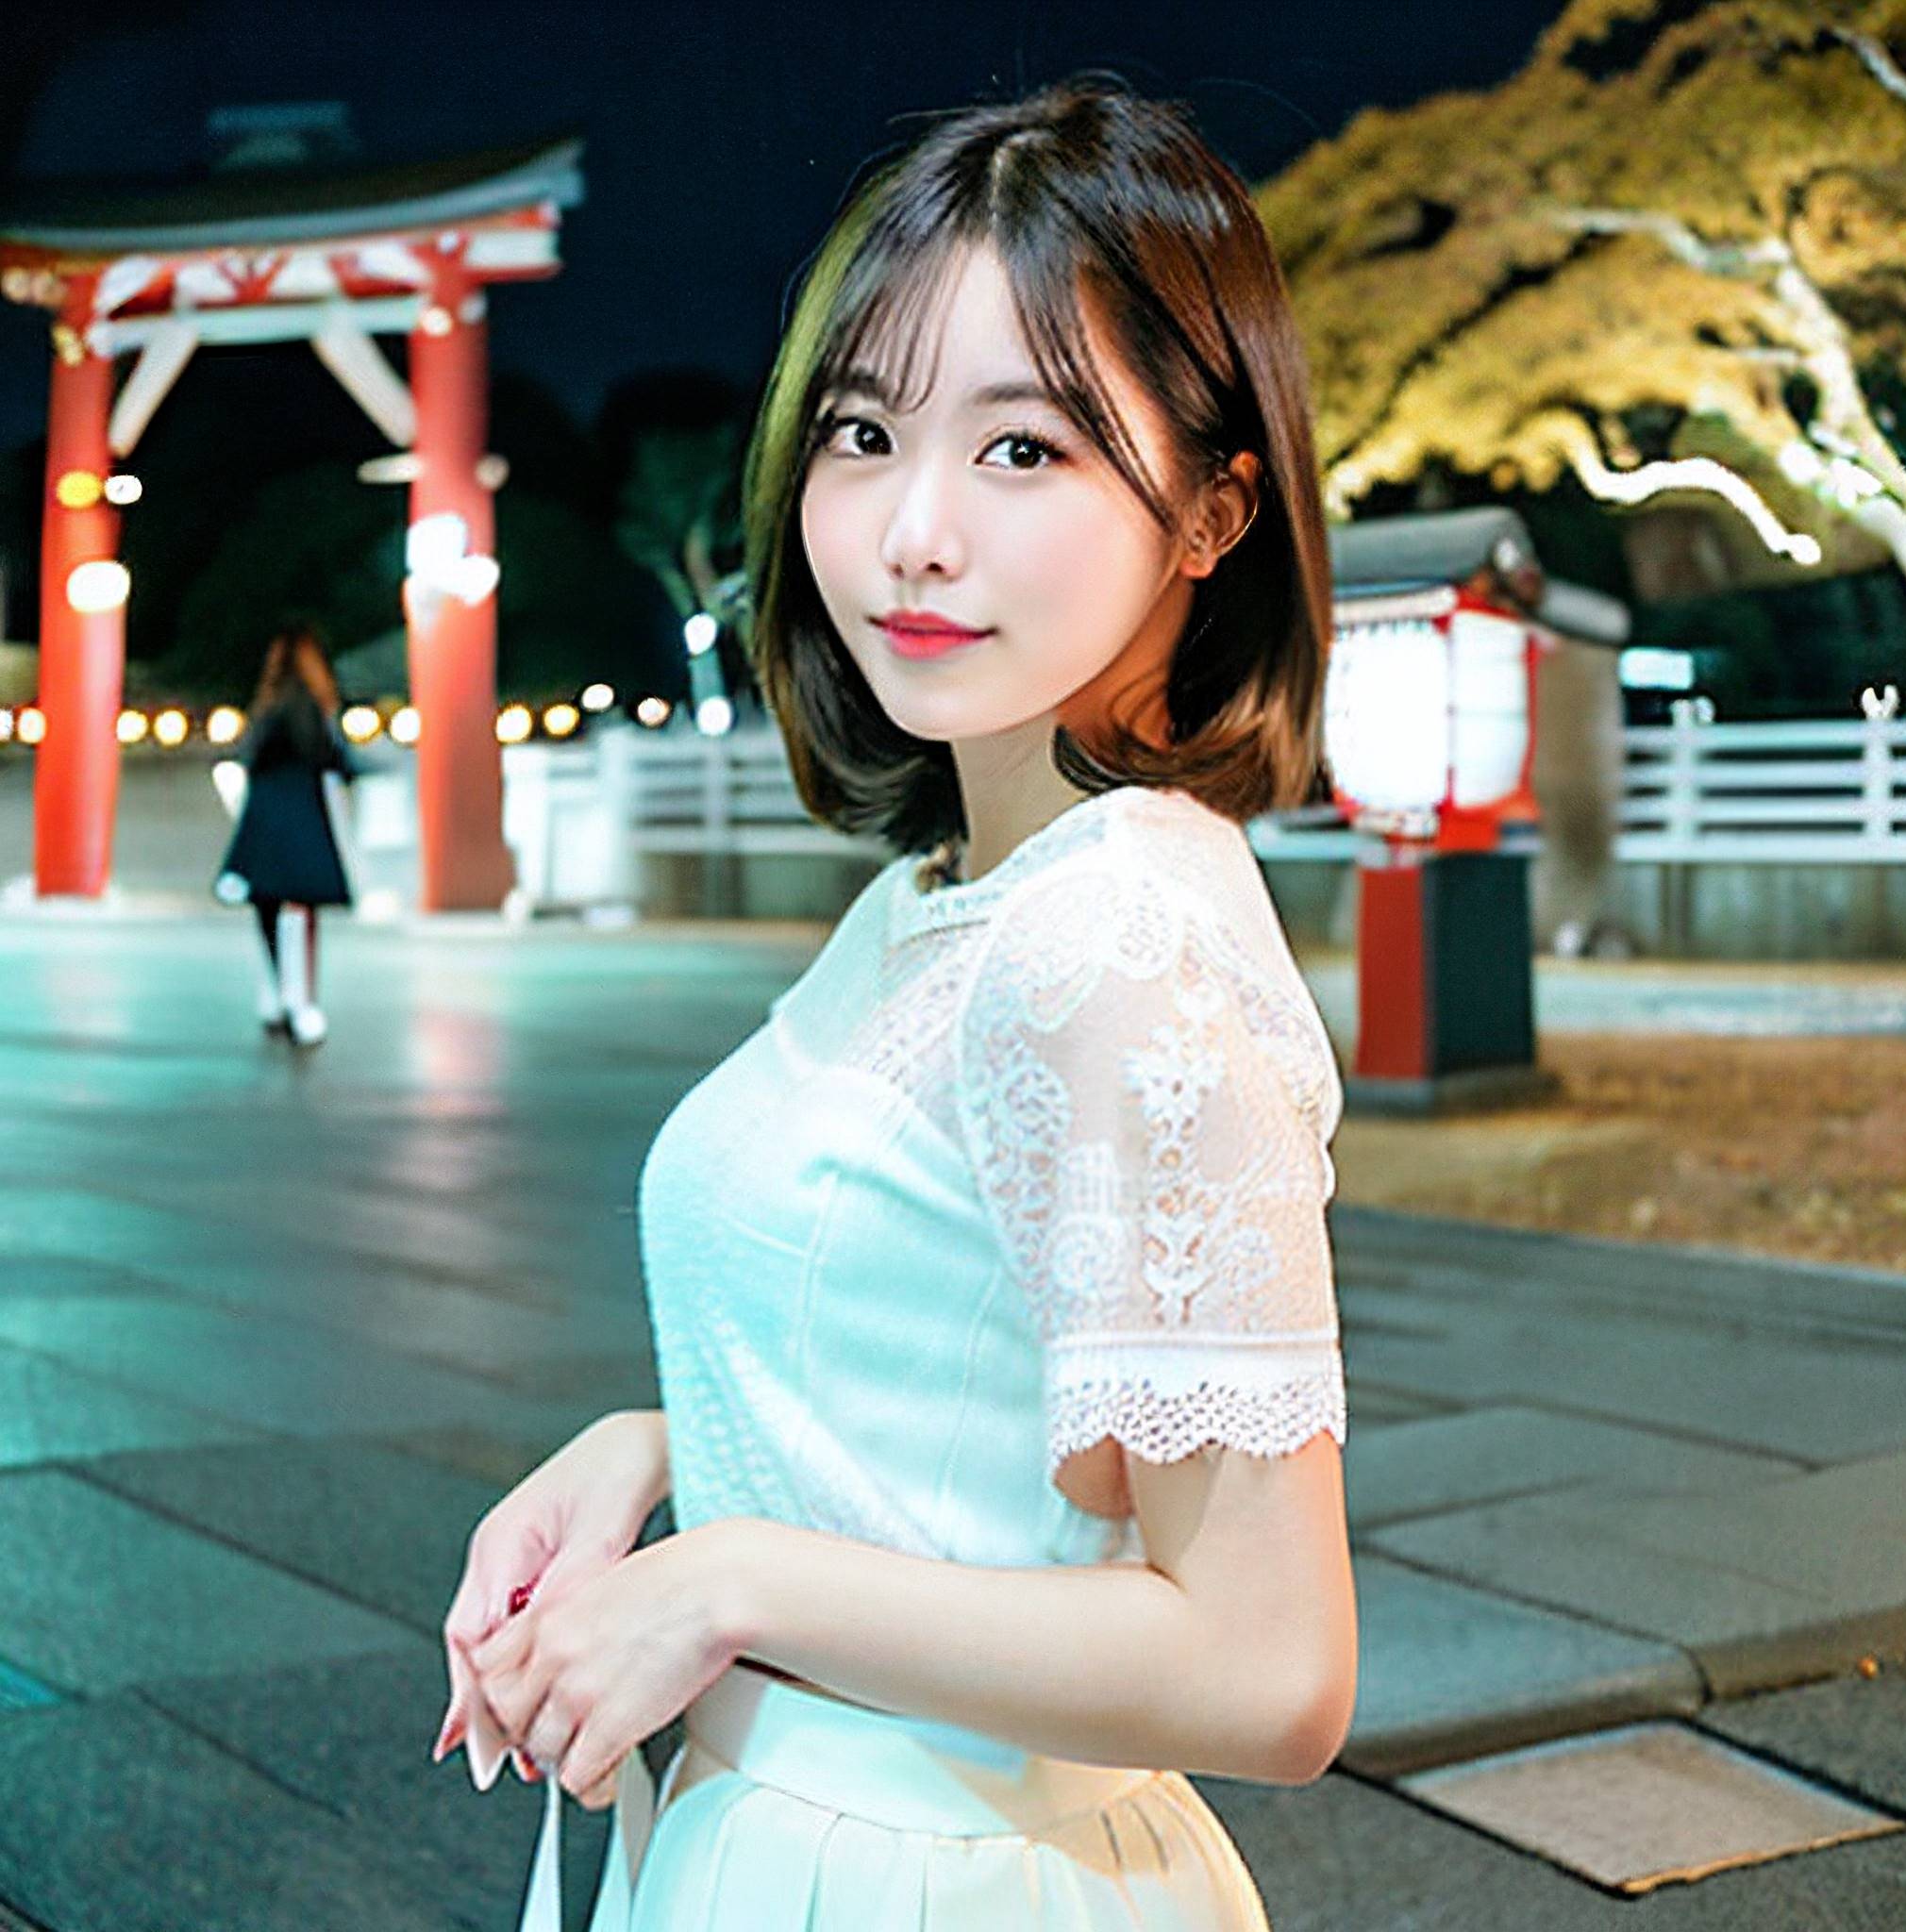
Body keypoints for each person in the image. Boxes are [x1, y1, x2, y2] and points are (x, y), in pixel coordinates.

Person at [434, 73, 1356, 1929]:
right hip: (784, 1832)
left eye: (1024, 449)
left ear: (1210, 511)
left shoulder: (1124, 937)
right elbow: (966, 1390)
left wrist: (732, 1579)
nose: (912, 530)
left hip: (943, 1871)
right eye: (864, 431)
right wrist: (658, 1457)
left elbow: (1270, 1665)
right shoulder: (939, 895)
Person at [211, 617, 361, 1049]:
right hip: (305, 818)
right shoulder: (316, 707)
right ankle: (303, 1002)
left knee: (268, 909)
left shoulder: (269, 705)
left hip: (264, 819)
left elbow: (247, 756)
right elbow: (339, 763)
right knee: (303, 912)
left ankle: (275, 996)